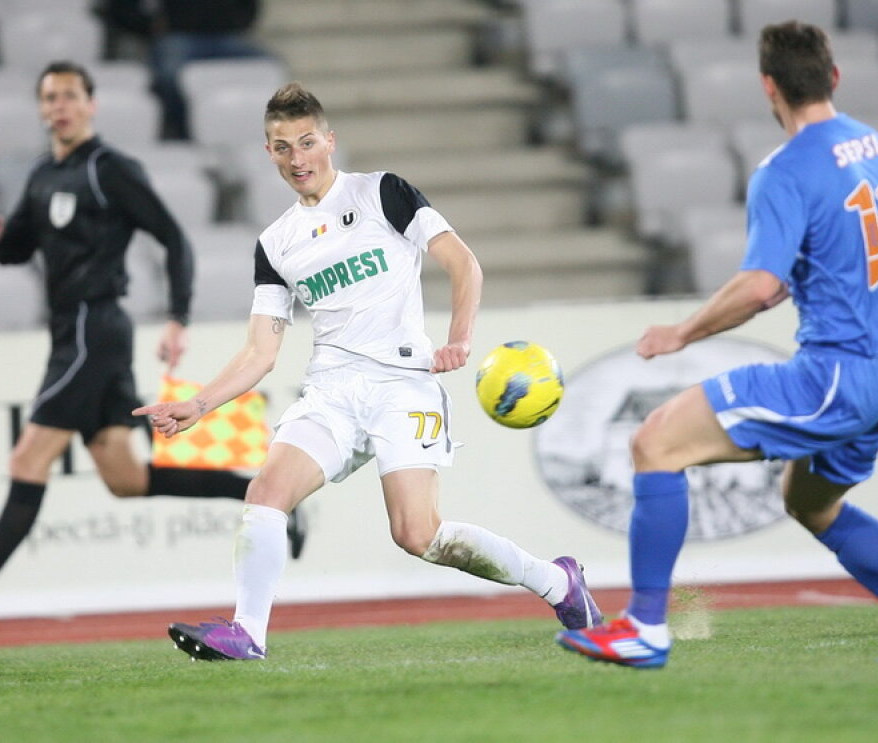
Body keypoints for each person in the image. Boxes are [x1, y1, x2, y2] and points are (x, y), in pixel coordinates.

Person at [556, 22, 878, 668]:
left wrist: (682, 332)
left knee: (654, 442)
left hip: (833, 373)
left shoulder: (784, 170)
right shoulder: (874, 144)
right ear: (833, 77)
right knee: (810, 502)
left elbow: (759, 286)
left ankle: (643, 626)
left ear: (767, 88)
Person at [134, 82, 603, 662]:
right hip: (331, 391)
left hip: (402, 386)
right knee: (265, 493)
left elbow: (464, 264)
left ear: (329, 141)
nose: (297, 158)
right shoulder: (275, 244)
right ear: (269, 154)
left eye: (306, 142)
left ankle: (558, 583)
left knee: (418, 535)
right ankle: (248, 633)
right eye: (282, 147)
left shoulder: (383, 192)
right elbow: (260, 351)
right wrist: (198, 405)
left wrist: (459, 340)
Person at [0, 60, 303, 639]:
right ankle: (265, 493)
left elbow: (173, 237)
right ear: (42, 109)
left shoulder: (109, 170)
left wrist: (178, 317)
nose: (59, 105)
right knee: (126, 479)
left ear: (90, 104)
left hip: (95, 330)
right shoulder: (42, 176)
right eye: (49, 97)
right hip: (72, 333)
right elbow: (17, 248)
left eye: (69, 95)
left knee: (25, 461)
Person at [104, 0, 272, 140]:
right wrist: (149, 26)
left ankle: (253, 129)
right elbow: (122, 9)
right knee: (169, 73)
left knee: (267, 65)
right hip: (178, 36)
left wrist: (235, 22)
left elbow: (249, 8)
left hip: (226, 36)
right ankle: (182, 129)